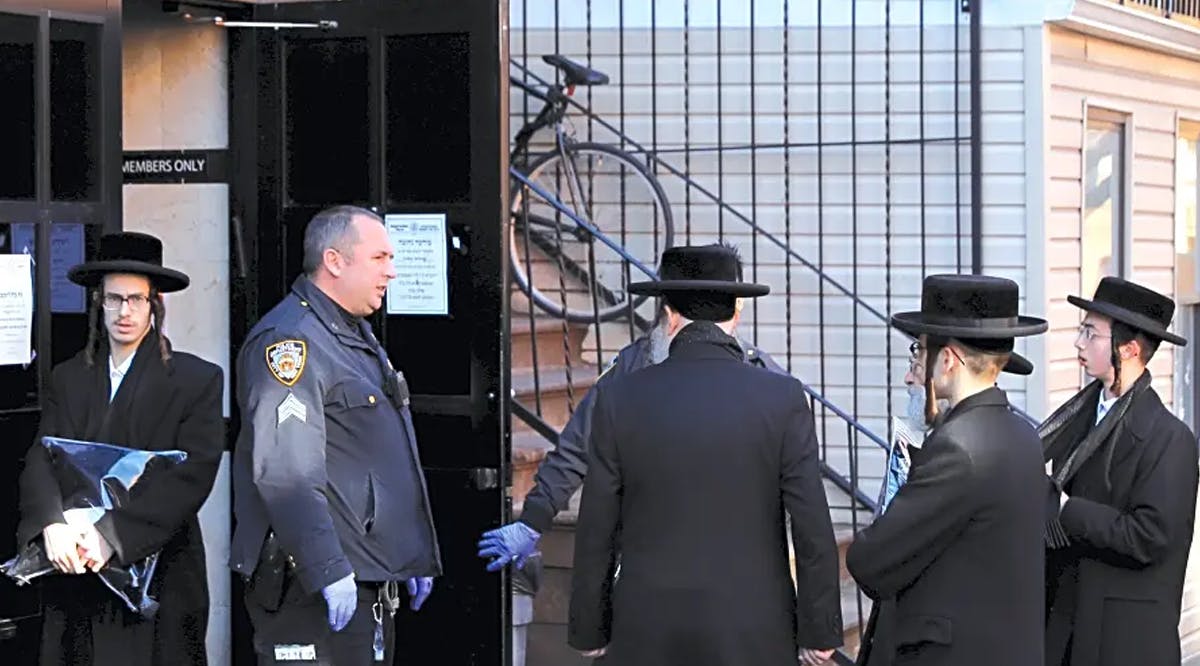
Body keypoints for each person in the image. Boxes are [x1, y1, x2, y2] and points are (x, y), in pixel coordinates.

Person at [568, 244, 843, 666]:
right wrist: (819, 630)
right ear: (736, 313)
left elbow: (597, 526)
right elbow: (812, 528)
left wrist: (589, 626)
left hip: (646, 627)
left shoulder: (620, 398)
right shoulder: (782, 398)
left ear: (669, 314)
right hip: (756, 628)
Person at [477, 243, 784, 571]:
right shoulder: (636, 366)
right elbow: (580, 444)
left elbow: (577, 447)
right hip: (662, 563)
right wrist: (533, 518)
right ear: (736, 310)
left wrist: (532, 522)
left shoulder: (760, 378)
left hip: (716, 566)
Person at [230, 205, 441, 665]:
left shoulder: (351, 334)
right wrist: (325, 567)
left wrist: (408, 553)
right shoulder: (291, 342)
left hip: (364, 575)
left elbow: (365, 458)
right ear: (334, 261)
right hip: (311, 585)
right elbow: (285, 470)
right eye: (380, 258)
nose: (393, 271)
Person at [16, 231, 224, 666]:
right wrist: (50, 523)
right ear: (99, 304)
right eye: (114, 299)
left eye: (136, 299)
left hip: (158, 574)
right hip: (75, 570)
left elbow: (191, 477)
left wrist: (111, 535)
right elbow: (42, 455)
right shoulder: (69, 377)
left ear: (155, 307)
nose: (124, 311)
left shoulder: (195, 380)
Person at [846, 274, 1047, 666]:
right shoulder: (1023, 435)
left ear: (950, 360)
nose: (912, 370)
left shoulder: (960, 448)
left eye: (918, 353)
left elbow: (869, 562)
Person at [1043, 277, 1198, 666]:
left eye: (1091, 333)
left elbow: (1149, 537)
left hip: (1124, 643)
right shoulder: (1075, 421)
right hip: (1064, 630)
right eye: (1082, 330)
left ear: (1127, 348)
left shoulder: (1169, 439)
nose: (1078, 342)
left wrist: (1064, 508)